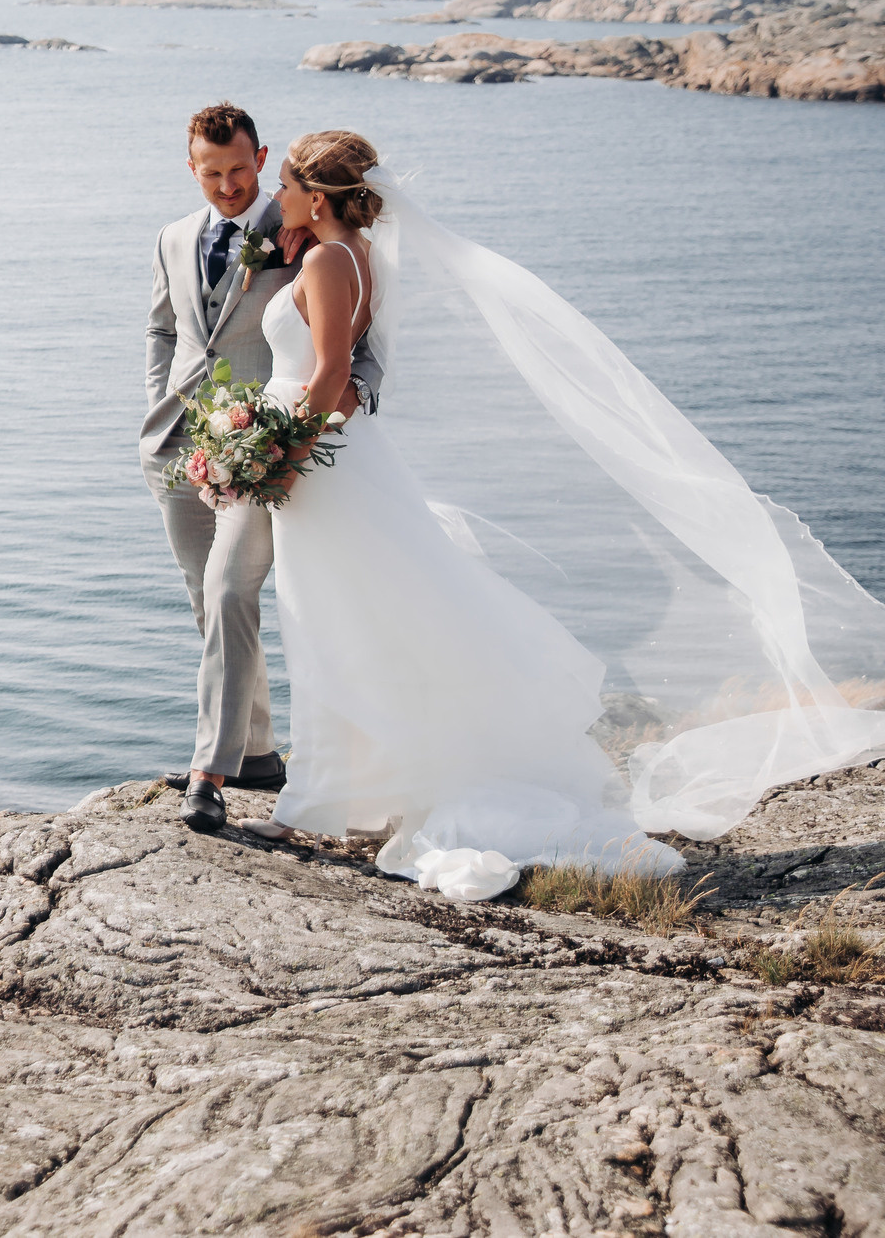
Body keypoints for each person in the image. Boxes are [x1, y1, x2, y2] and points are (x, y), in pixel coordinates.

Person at [238, 129, 885, 899]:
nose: (275, 196)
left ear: (317, 195)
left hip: (321, 465)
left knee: (332, 624)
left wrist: (282, 451)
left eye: (284, 182)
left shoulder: (328, 259)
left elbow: (333, 369)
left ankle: (313, 799)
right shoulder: (350, 255)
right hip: (332, 465)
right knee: (355, 622)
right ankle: (344, 787)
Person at [142, 104, 378, 835]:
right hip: (181, 441)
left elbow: (354, 341)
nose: (230, 184)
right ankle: (256, 751)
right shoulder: (173, 236)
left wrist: (329, 415)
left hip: (265, 444)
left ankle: (208, 772)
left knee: (229, 590)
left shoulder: (304, 231)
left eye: (242, 169)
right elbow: (162, 326)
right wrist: (158, 407)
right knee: (209, 599)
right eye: (212, 173)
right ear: (192, 169)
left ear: (262, 156)